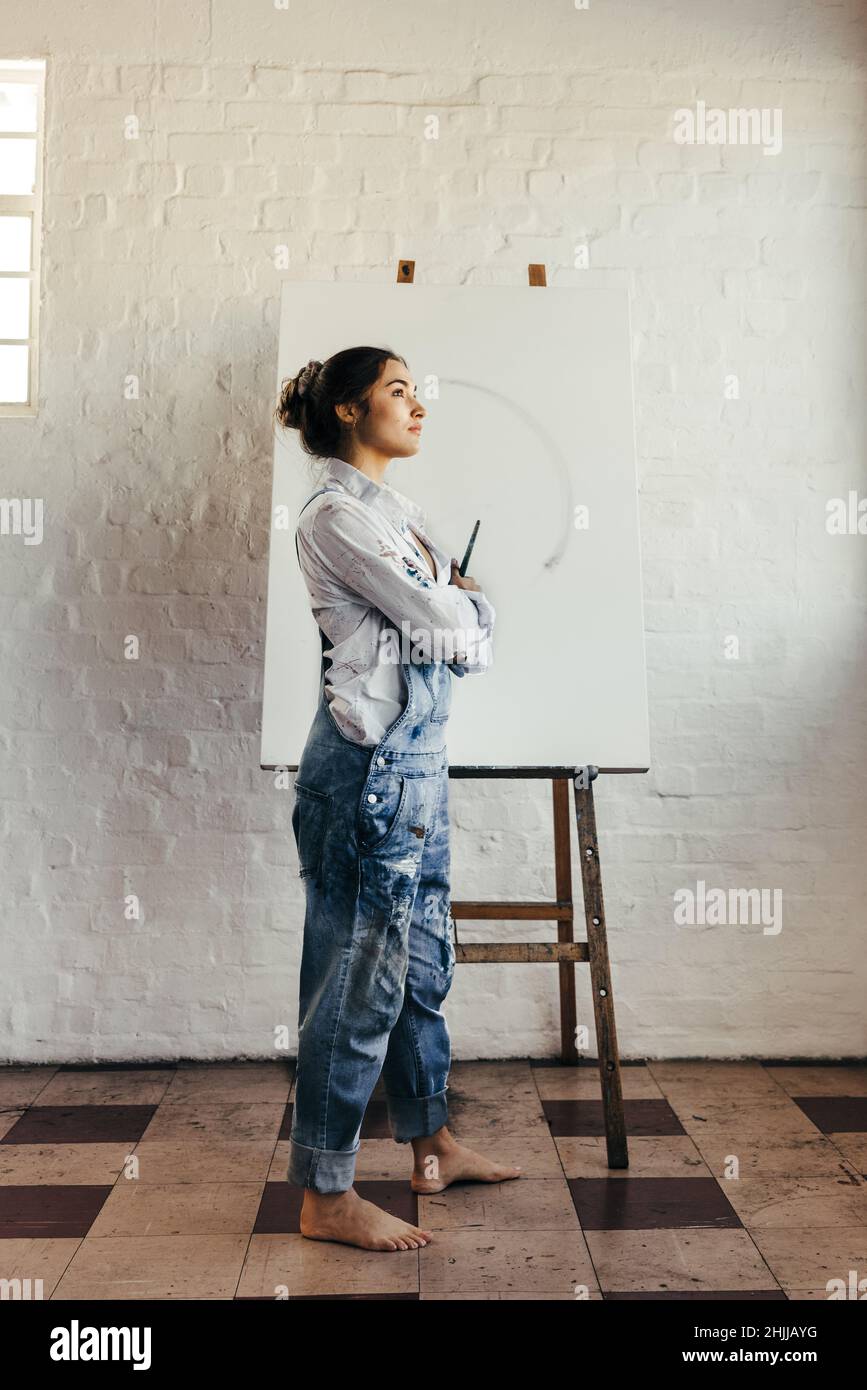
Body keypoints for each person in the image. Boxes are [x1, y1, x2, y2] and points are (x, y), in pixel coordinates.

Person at [274, 345, 521, 1252]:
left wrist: (463, 613)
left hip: (415, 767)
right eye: (396, 391)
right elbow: (447, 627)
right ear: (347, 410)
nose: (418, 406)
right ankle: (325, 1193)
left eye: (418, 391)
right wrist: (462, 611)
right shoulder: (339, 519)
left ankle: (432, 1141)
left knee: (419, 965)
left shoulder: (402, 520)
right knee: (353, 982)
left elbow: (466, 628)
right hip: (367, 772)